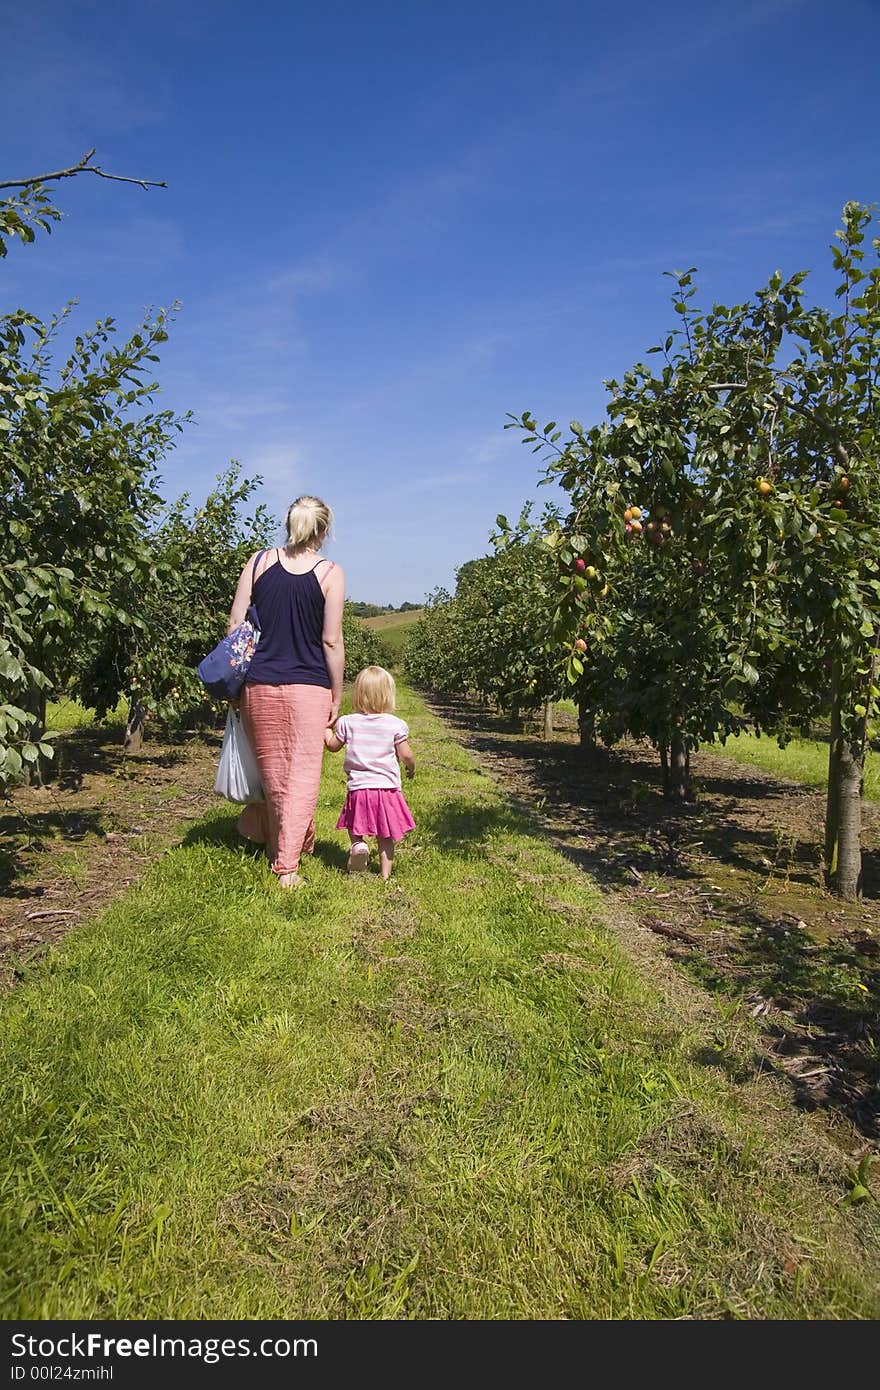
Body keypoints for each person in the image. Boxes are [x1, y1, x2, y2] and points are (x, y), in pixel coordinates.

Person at [230, 496, 345, 888]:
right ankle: (286, 867)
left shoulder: (258, 562)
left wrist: (235, 680)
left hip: (257, 684)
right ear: (324, 532)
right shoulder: (330, 573)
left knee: (272, 774)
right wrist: (337, 693)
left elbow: (234, 627)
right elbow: (331, 641)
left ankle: (277, 842)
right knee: (300, 778)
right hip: (308, 687)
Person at [323, 665, 415, 880]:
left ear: (358, 694)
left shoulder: (348, 722)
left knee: (355, 823)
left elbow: (333, 746)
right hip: (386, 789)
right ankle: (384, 876)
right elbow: (406, 755)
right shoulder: (395, 724)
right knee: (386, 835)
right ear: (388, 694)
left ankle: (358, 844)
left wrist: (326, 731)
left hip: (359, 787)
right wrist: (411, 768)